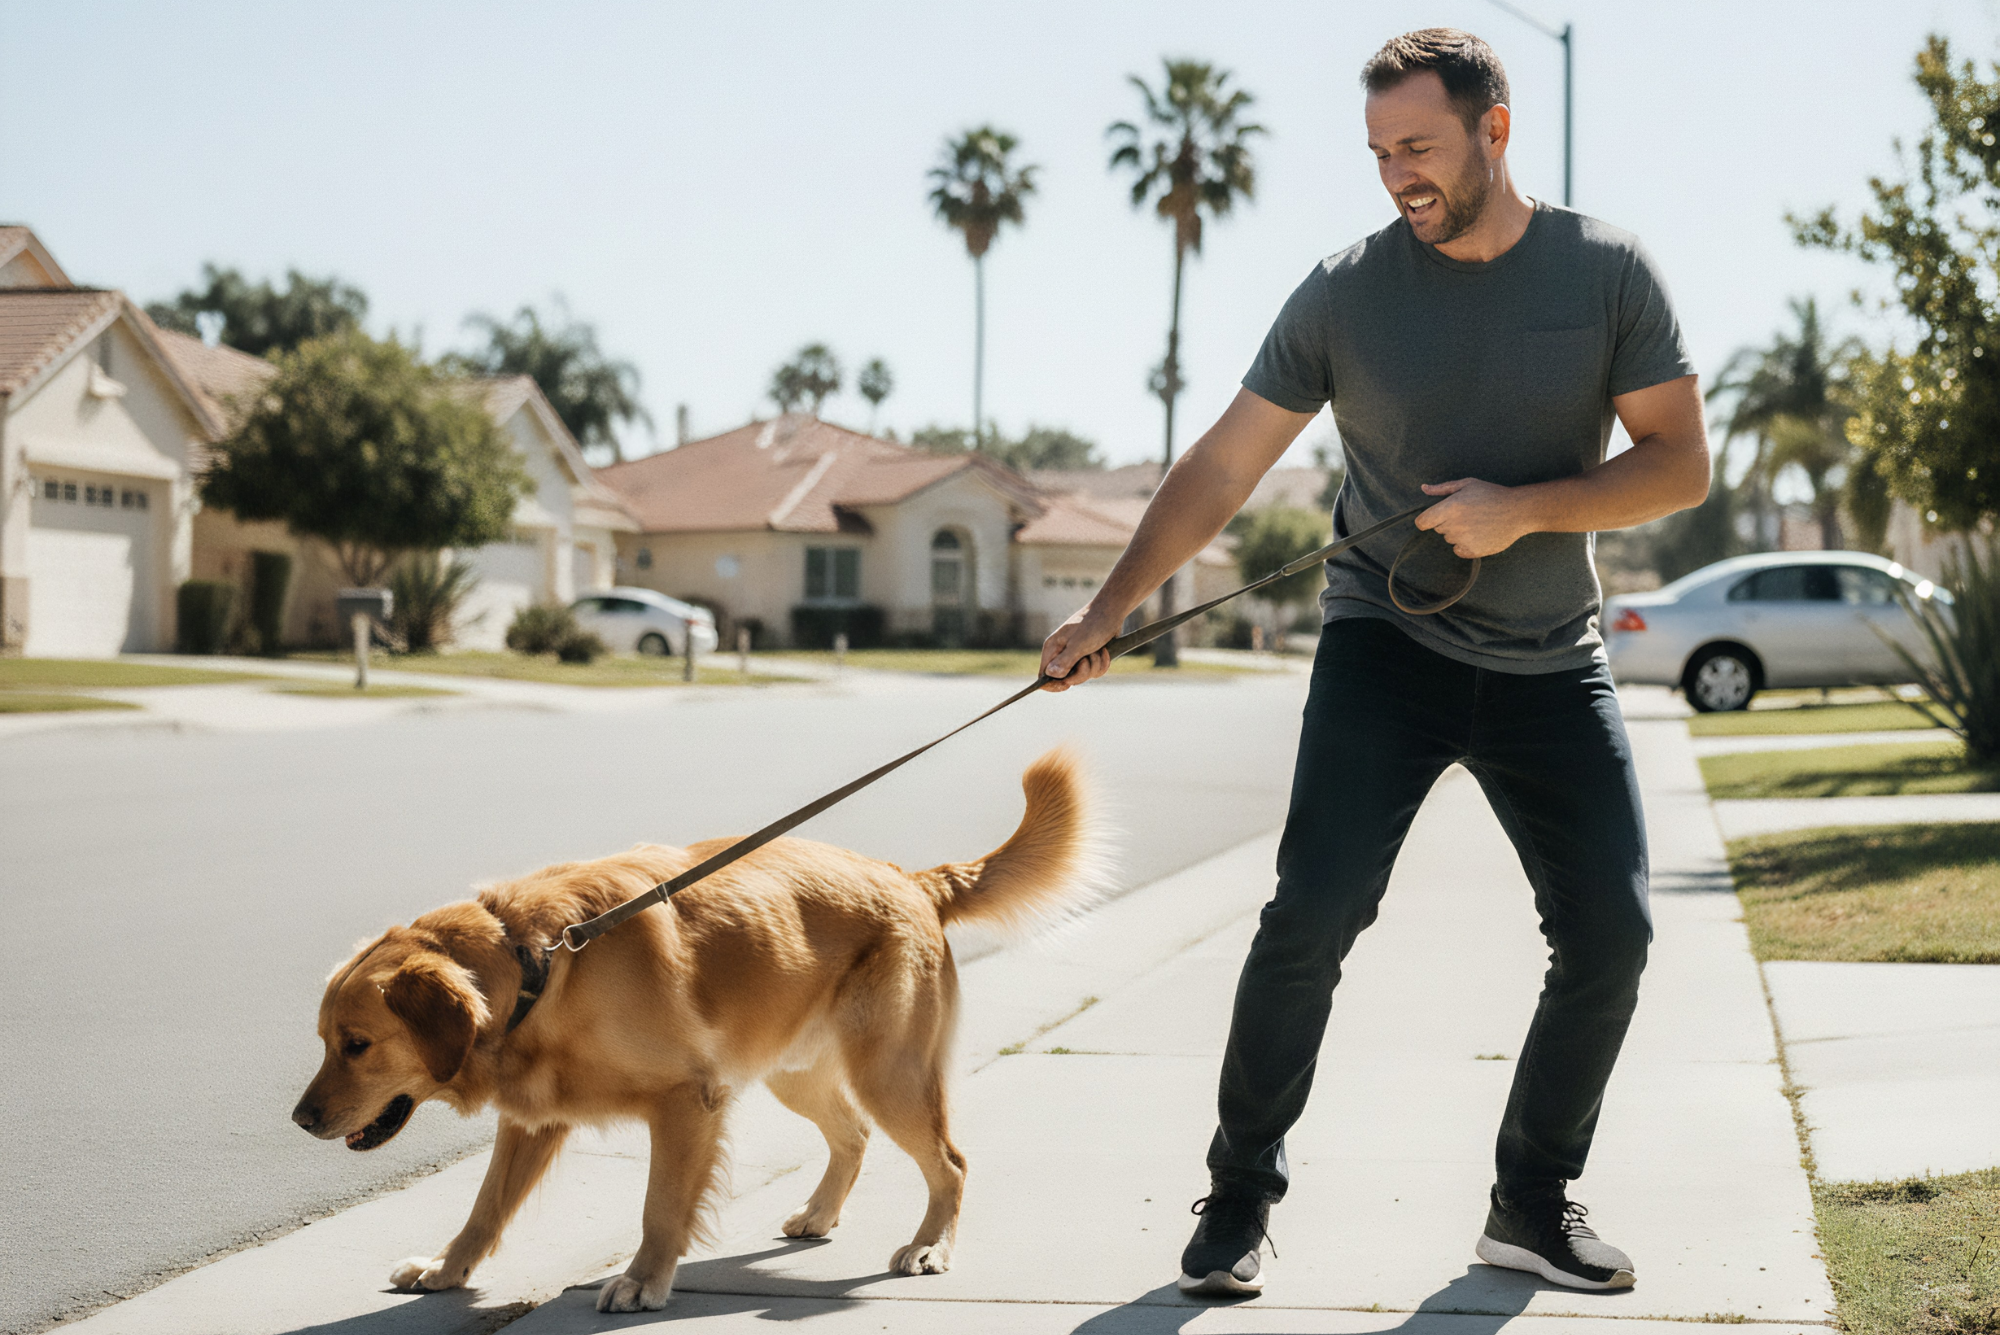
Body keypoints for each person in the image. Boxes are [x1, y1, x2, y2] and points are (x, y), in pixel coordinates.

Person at [1038, 27, 1709, 1299]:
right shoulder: (1344, 289)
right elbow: (1225, 464)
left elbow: (1676, 463)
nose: (1396, 174)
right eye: (1378, 152)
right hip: (1381, 643)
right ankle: (1235, 1200)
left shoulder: (1607, 272)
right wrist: (1114, 607)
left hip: (1546, 657)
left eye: (1419, 147)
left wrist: (1525, 509)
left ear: (1493, 131)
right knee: (1311, 914)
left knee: (1610, 932)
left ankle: (1528, 1202)